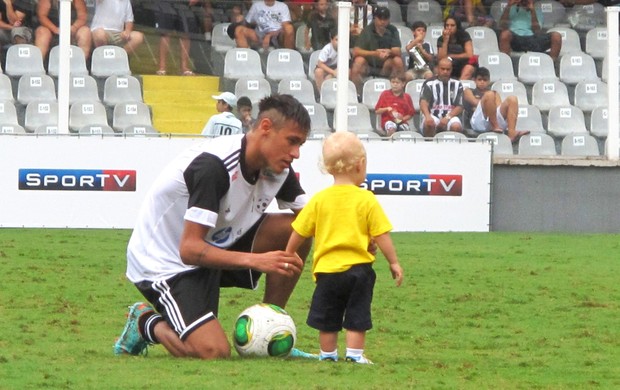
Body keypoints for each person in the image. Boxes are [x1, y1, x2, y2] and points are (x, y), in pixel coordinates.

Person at [113, 94, 317, 360]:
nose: (296, 153)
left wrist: (356, 236)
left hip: (215, 245)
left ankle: (269, 326)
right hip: (167, 262)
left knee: (297, 229)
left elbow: (311, 219)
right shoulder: (215, 166)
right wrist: (257, 260)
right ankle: (145, 324)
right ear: (265, 128)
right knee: (212, 352)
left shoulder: (278, 168)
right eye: (292, 141)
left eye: (300, 144)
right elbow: (189, 250)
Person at [285, 131, 404, 364]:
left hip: (327, 271)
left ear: (328, 168)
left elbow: (299, 230)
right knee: (357, 314)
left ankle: (327, 355)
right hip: (358, 270)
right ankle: (354, 355)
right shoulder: (366, 199)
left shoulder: (320, 199)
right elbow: (381, 234)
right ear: (360, 165)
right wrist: (393, 262)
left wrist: (289, 254)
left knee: (327, 316)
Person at [463, 67, 530, 143]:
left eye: (485, 80)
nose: (482, 82)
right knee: (489, 95)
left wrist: (490, 105)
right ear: (474, 80)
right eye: (479, 79)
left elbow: (498, 108)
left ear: (489, 81)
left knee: (512, 99)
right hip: (478, 121)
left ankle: (511, 133)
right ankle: (495, 126)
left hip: (493, 117)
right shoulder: (468, 91)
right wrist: (488, 102)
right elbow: (474, 102)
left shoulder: (495, 93)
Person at [350, 6, 404, 95]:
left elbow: (398, 51)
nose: (382, 21)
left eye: (385, 19)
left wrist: (389, 51)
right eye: (380, 18)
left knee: (398, 61)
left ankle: (398, 93)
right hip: (369, 65)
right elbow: (356, 51)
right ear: (375, 18)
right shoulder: (367, 30)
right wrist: (374, 53)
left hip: (386, 65)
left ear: (389, 19)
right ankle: (358, 94)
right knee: (358, 61)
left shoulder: (393, 30)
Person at [419, 57, 465, 137]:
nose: (445, 72)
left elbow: (460, 106)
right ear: (437, 69)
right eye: (442, 69)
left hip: (450, 115)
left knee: (456, 126)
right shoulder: (429, 84)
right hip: (433, 114)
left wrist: (447, 118)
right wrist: (427, 116)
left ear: (451, 70)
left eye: (448, 69)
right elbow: (423, 102)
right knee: (429, 123)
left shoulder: (457, 84)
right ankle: (430, 147)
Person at [153, 0, 200, 76]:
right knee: (165, 33)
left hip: (184, 3)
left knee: (185, 34)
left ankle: (184, 67)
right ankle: (162, 67)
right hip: (165, 3)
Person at [374, 72, 415, 136]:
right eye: (393, 82)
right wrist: (387, 109)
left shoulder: (407, 97)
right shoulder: (385, 94)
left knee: (405, 131)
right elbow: (377, 111)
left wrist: (402, 119)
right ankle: (390, 144)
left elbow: (411, 114)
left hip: (402, 122)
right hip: (388, 121)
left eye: (397, 83)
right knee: (391, 128)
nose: (395, 84)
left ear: (403, 84)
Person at [436, 16, 476, 80]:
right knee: (438, 68)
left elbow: (469, 54)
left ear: (457, 26)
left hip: (463, 63)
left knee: (468, 69)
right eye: (447, 25)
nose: (449, 28)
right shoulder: (441, 39)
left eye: (452, 25)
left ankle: (458, 86)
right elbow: (441, 58)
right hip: (449, 64)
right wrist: (445, 41)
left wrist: (451, 56)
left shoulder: (464, 35)